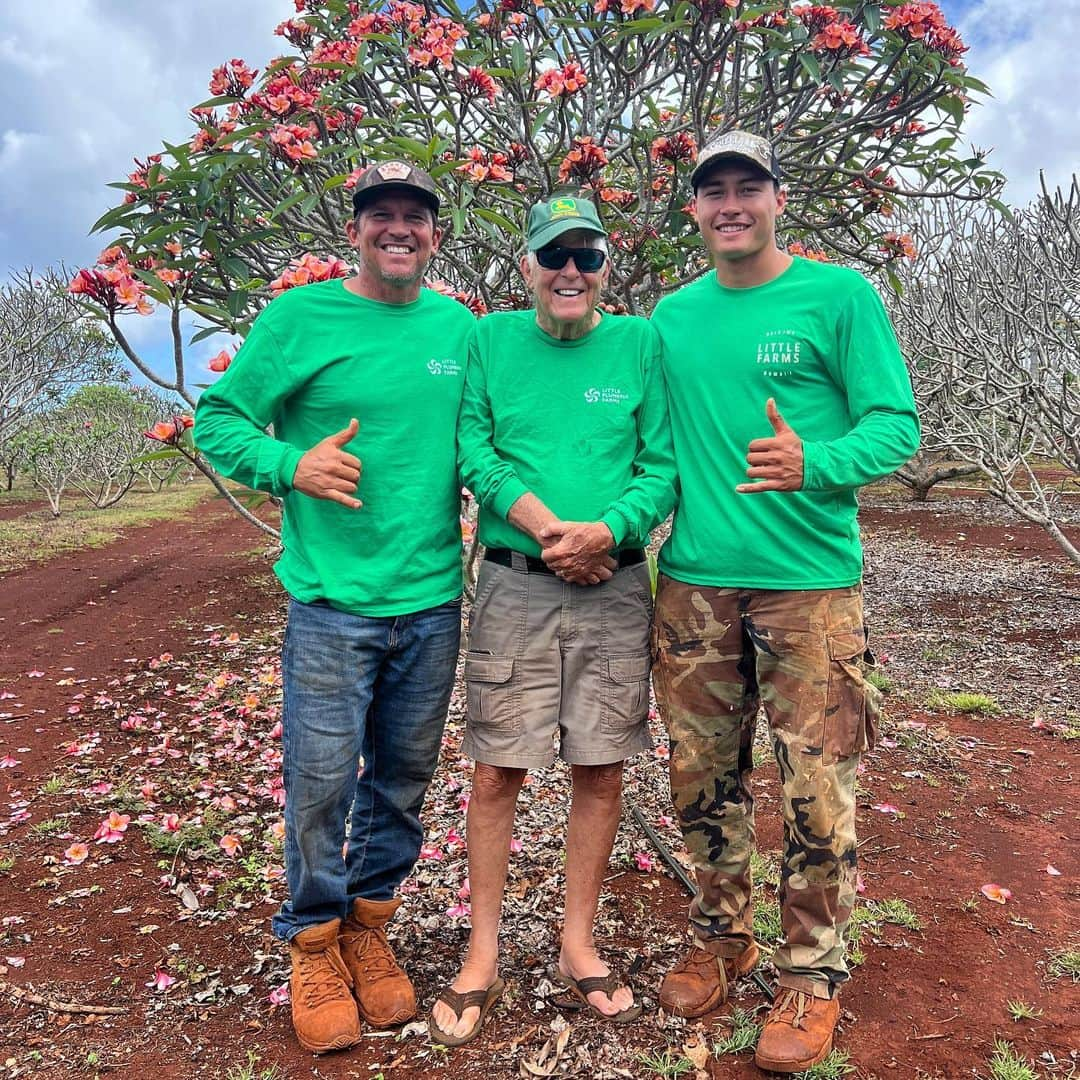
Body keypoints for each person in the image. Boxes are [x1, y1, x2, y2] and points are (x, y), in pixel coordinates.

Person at [649, 130, 919, 1073]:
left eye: (747, 188)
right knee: (702, 778)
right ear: (693, 209)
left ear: (777, 198)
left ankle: (812, 971)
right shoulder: (671, 318)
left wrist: (817, 462)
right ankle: (722, 937)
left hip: (810, 589)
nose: (731, 204)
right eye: (712, 190)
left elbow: (896, 427)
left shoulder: (840, 296)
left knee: (816, 786)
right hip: (693, 587)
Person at [194, 160, 475, 1054]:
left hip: (431, 601)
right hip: (330, 604)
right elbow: (220, 419)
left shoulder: (457, 328)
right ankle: (313, 942)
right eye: (380, 214)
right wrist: (291, 466)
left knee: (400, 782)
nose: (399, 229)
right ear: (354, 230)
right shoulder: (299, 318)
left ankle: (369, 926)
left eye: (415, 217)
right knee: (319, 785)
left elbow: (495, 437)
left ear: (435, 234)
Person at [428, 194, 677, 1046]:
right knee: (499, 769)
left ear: (606, 267)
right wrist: (546, 529)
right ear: (527, 265)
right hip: (515, 582)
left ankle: (578, 942)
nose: (570, 270)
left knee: (600, 766)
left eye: (587, 255)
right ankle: (482, 951)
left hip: (612, 582)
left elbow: (661, 464)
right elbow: (474, 448)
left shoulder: (640, 344)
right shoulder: (488, 339)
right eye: (554, 254)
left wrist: (607, 531)